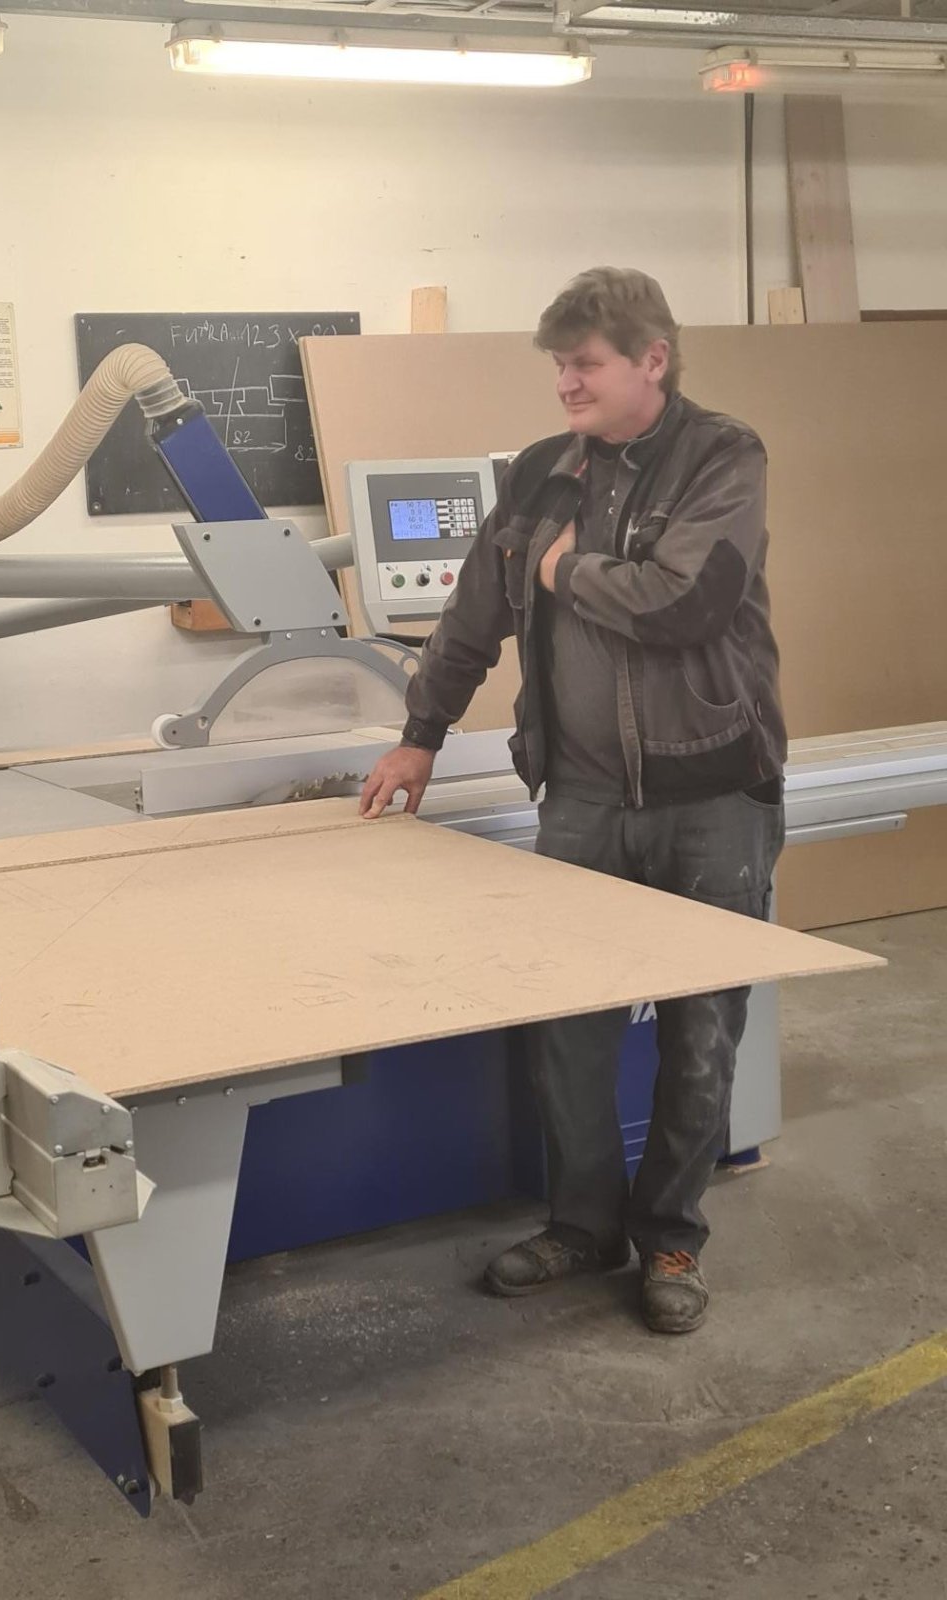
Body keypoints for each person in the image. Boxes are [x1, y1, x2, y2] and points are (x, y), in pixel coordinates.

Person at [358, 267, 786, 1335]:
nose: (566, 385)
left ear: (653, 360)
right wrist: (420, 736)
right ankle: (584, 1224)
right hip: (583, 799)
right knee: (572, 1026)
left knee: (701, 1033)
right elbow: (472, 612)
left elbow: (688, 600)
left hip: (713, 794)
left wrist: (562, 573)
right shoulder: (542, 473)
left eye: (585, 364)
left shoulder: (723, 456)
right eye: (558, 366)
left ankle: (672, 1234)